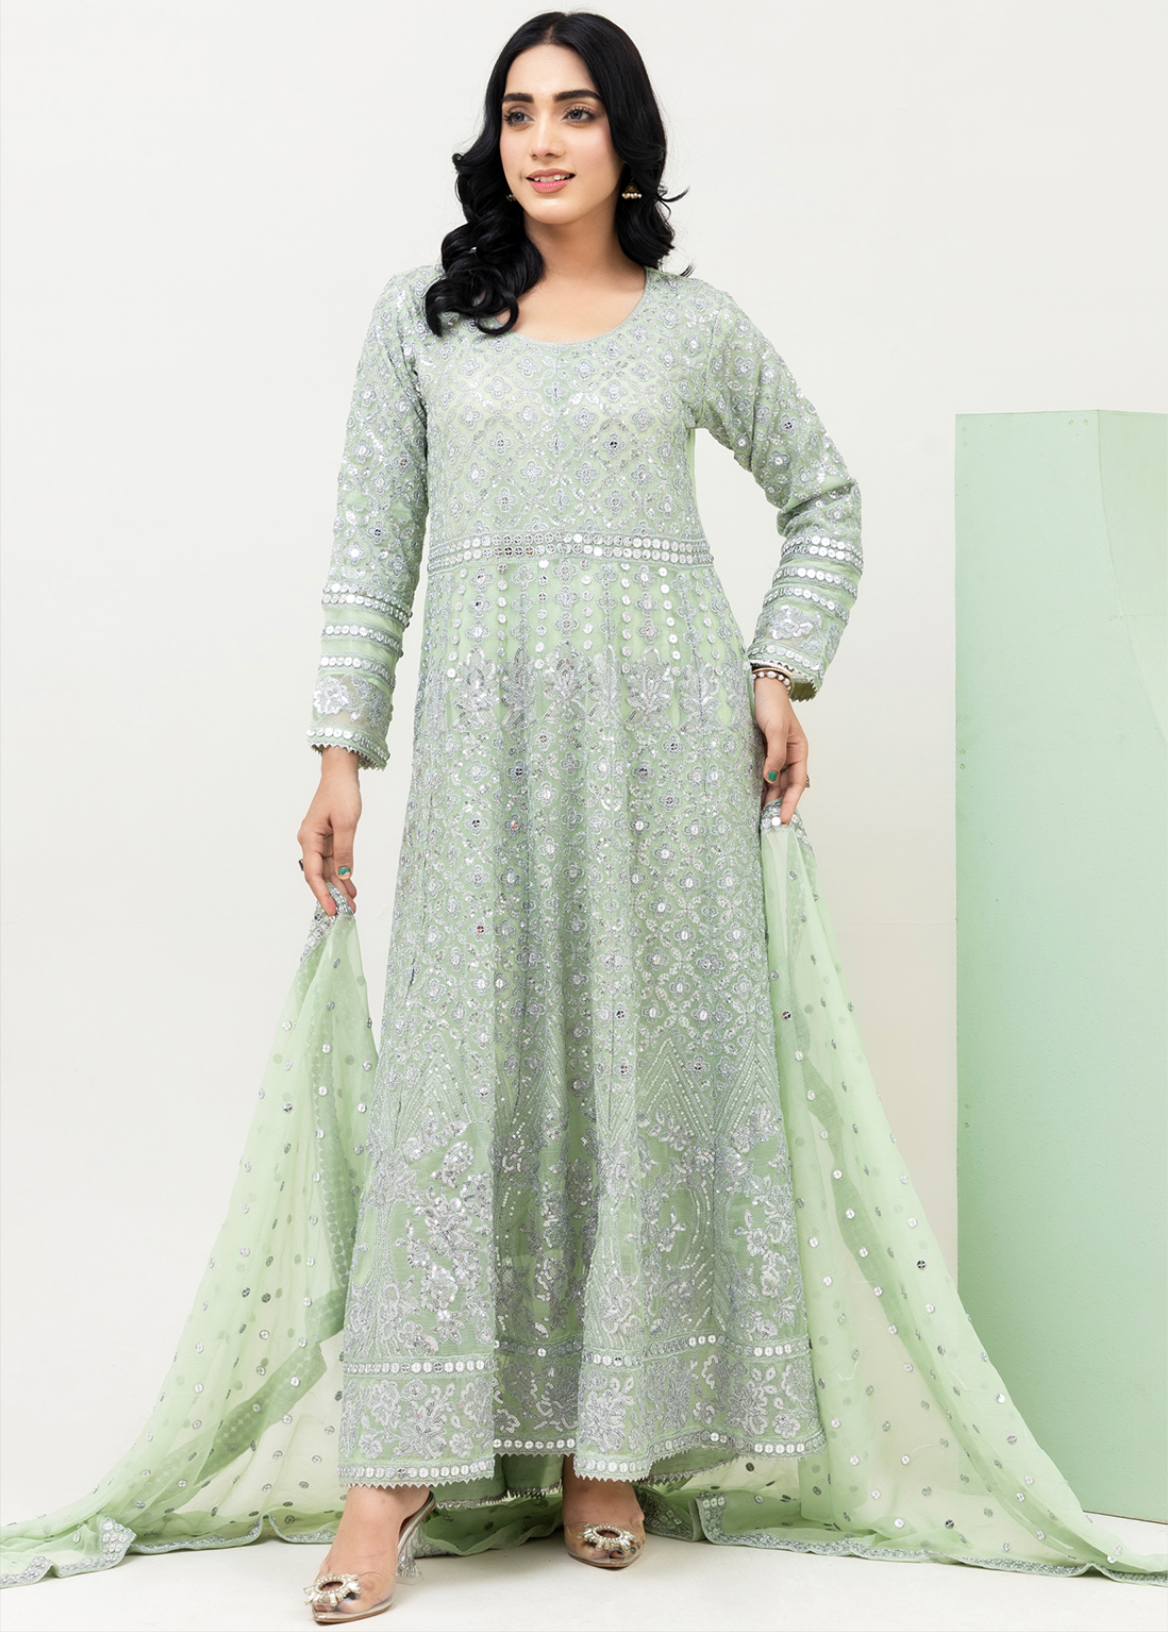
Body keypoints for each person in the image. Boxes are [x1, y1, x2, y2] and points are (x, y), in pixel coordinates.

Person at [2, 9, 1163, 1621]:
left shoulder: (697, 327)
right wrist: (340, 751)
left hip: (666, 756)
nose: (543, 140)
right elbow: (370, 546)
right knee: (459, 1083)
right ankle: (392, 1472)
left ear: (628, 140)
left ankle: (603, 1447)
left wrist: (780, 671)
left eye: (576, 111)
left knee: (636, 1069)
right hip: (488, 755)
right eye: (518, 112)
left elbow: (824, 498)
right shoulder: (422, 323)